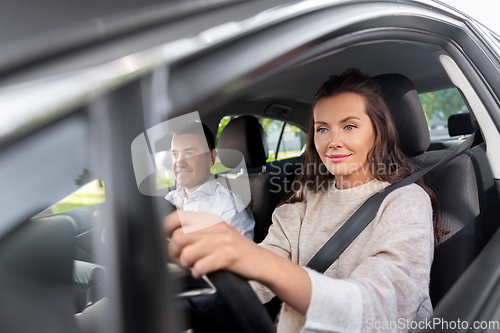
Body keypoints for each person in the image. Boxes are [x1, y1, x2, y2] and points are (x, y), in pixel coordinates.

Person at [165, 69, 442, 333]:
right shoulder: (304, 201)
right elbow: (254, 282)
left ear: (377, 131)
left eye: (349, 126)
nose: (333, 141)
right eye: (322, 129)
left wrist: (255, 259)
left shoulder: (405, 202)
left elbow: (382, 310)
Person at [165, 122, 255, 240]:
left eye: (189, 153)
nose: (180, 163)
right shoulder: (169, 200)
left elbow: (243, 256)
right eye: (175, 154)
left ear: (210, 158)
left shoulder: (229, 209)